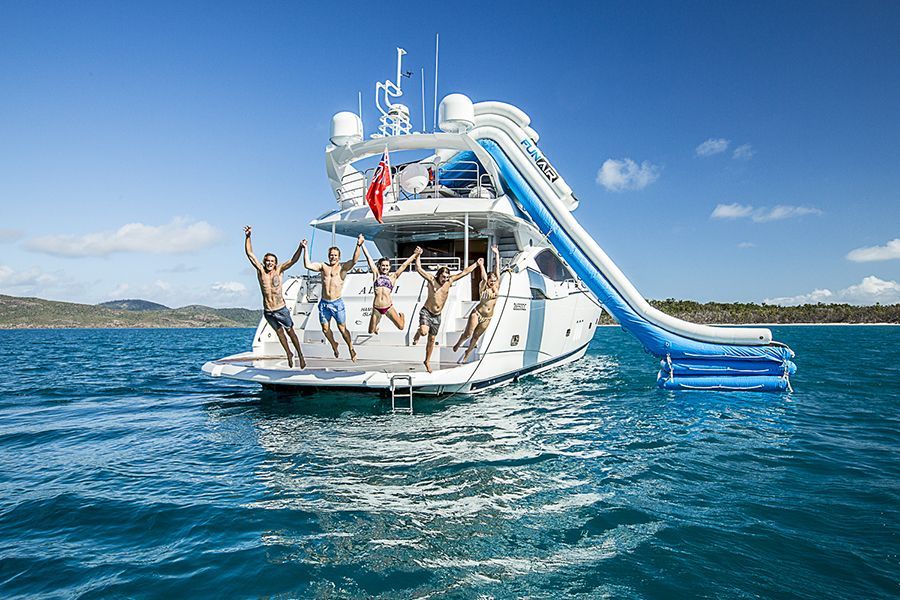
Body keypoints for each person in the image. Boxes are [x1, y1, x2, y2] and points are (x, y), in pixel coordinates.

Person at [244, 225, 306, 369]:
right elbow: (250, 254)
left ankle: (300, 355)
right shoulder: (260, 271)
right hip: (268, 311)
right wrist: (248, 237)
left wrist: (300, 247)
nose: (269, 263)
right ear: (264, 262)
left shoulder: (279, 270)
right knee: (280, 333)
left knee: (290, 332)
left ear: (275, 263)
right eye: (267, 261)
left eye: (272, 261)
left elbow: (293, 260)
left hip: (281, 309)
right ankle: (289, 353)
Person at [412, 248, 479, 373]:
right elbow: (418, 269)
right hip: (427, 311)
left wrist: (476, 264)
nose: (445, 279)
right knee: (424, 332)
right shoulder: (432, 280)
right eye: (443, 277)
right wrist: (418, 256)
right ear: (438, 275)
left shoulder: (449, 282)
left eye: (447, 277)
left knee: (432, 339)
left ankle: (427, 361)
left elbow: (464, 272)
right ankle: (419, 332)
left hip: (437, 315)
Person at [300, 234, 363, 362]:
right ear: (328, 256)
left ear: (339, 257)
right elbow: (308, 265)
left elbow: (354, 260)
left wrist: (358, 245)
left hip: (337, 303)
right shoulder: (323, 267)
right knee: (325, 329)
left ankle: (351, 347)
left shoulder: (342, 268)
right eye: (331, 255)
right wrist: (305, 248)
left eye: (335, 255)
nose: (333, 257)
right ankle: (334, 344)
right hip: (324, 303)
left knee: (342, 329)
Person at [453, 245, 502, 363]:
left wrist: (496, 254)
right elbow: (484, 278)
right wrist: (481, 266)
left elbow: (497, 269)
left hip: (487, 318)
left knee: (476, 337)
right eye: (491, 280)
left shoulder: (497, 286)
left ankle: (466, 355)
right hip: (477, 313)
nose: (492, 282)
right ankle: (459, 343)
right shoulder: (483, 287)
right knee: (468, 334)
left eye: (494, 281)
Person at [360, 244, 417, 334]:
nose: (385, 267)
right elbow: (369, 258)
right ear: (379, 266)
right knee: (370, 331)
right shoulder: (376, 275)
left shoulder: (393, 277)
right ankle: (376, 326)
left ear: (390, 267)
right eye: (383, 265)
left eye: (387, 266)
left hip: (388, 307)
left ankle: (401, 316)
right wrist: (362, 244)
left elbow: (404, 265)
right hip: (376, 308)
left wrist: (415, 255)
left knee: (401, 327)